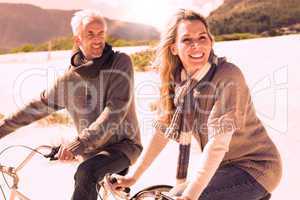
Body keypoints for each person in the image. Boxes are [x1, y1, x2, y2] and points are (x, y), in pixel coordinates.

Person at [113, 9, 282, 200]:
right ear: (174, 48)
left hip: (256, 168)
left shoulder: (227, 76)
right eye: (186, 40)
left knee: (180, 194)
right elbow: (162, 132)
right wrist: (133, 177)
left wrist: (191, 196)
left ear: (210, 41)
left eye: (202, 37)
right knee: (173, 194)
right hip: (223, 169)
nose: (196, 45)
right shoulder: (179, 83)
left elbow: (217, 144)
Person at [0, 9, 142, 200]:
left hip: (123, 147)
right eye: (90, 34)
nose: (97, 39)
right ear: (78, 40)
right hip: (90, 151)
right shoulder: (68, 80)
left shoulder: (120, 62)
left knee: (86, 172)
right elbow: (34, 108)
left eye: (101, 33)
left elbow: (114, 112)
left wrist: (78, 144)